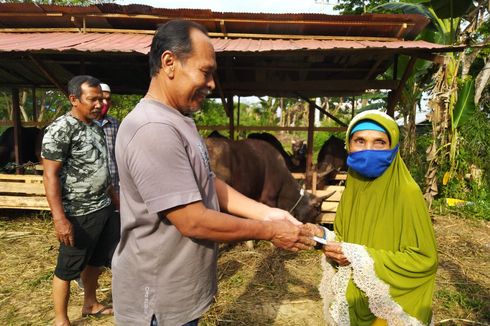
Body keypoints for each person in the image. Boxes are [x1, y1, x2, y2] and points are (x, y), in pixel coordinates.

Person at [112, 19, 315, 326]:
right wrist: (270, 232)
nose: (211, 84)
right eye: (205, 72)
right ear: (169, 63)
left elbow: (209, 183)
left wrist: (267, 214)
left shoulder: (179, 120)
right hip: (158, 303)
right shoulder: (153, 129)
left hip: (180, 295)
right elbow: (192, 220)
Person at [306, 110, 438, 325]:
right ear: (348, 146)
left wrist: (357, 256)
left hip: (388, 307)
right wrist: (323, 236)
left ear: (393, 146)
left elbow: (424, 260)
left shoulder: (407, 192)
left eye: (379, 142)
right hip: (353, 299)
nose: (368, 150)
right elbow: (349, 238)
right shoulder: (354, 186)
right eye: (360, 141)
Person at [42, 75, 116, 326]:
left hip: (103, 207)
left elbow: (102, 168)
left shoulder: (95, 127)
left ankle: (90, 303)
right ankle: (61, 319)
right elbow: (50, 175)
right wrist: (60, 218)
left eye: (100, 99)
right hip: (78, 212)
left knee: (95, 260)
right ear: (74, 99)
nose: (99, 104)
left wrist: (115, 200)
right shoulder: (60, 129)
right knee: (68, 267)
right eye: (92, 99)